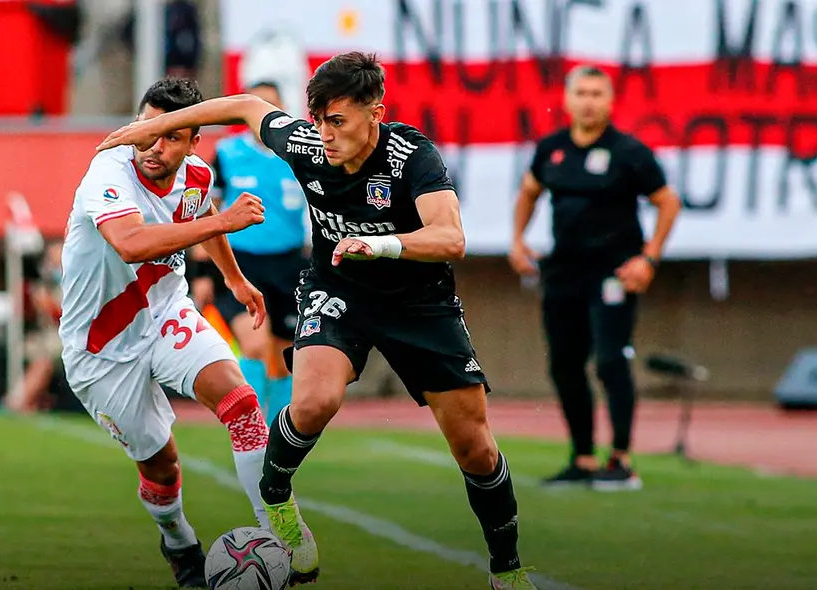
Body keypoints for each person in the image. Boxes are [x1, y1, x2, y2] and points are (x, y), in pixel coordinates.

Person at [97, 52, 536, 589]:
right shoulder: (307, 144)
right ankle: (276, 499)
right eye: (318, 119)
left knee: (475, 445)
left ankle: (507, 571)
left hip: (420, 305)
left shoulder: (413, 156)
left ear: (375, 112)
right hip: (339, 289)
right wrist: (152, 126)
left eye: (337, 121)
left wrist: (381, 245)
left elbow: (451, 238)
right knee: (312, 402)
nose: (324, 134)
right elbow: (244, 104)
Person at [58, 77, 271, 588]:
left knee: (242, 405)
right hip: (100, 349)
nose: (156, 145)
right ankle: (178, 542)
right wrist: (222, 227)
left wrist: (235, 280)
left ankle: (279, 532)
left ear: (193, 139)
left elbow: (204, 208)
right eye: (149, 129)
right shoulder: (107, 170)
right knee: (162, 466)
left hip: (165, 311)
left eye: (172, 136)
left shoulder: (195, 174)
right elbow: (131, 243)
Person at [508, 65, 682, 491]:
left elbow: (668, 202)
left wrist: (649, 258)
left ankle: (620, 460)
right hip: (563, 270)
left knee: (609, 360)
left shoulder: (629, 152)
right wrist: (517, 240)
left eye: (597, 93)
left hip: (613, 272)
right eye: (581, 92)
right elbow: (530, 191)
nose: (588, 101)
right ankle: (583, 459)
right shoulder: (551, 150)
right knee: (565, 365)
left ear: (610, 101)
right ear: (566, 100)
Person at [210, 80, 309, 425]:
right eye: (257, 105)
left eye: (271, 106)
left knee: (282, 359)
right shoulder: (226, 153)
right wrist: (203, 271)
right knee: (253, 346)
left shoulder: (300, 153)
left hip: (289, 264)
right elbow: (208, 212)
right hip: (241, 263)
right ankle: (248, 427)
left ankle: (275, 434)